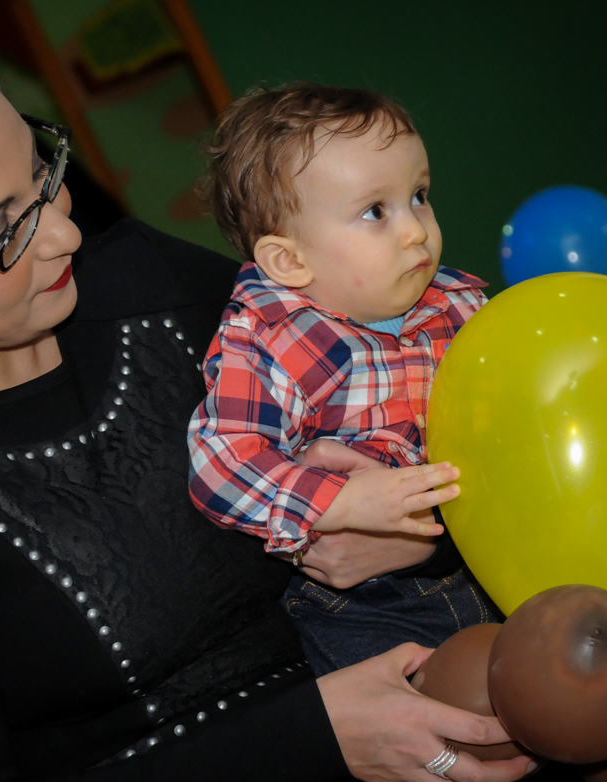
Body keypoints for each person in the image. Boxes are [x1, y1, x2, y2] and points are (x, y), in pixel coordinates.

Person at [0, 29, 537, 782]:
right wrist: (317, 735)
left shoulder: (147, 287)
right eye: (2, 230)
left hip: (407, 693)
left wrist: (410, 541)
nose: (62, 230)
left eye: (42, 172)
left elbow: (420, 426)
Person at [188, 85, 498, 675]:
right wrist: (339, 499)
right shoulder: (275, 338)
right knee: (434, 728)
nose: (416, 231)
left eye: (419, 196)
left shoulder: (459, 305)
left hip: (489, 554)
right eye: (375, 211)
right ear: (289, 261)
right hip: (370, 604)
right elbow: (221, 460)